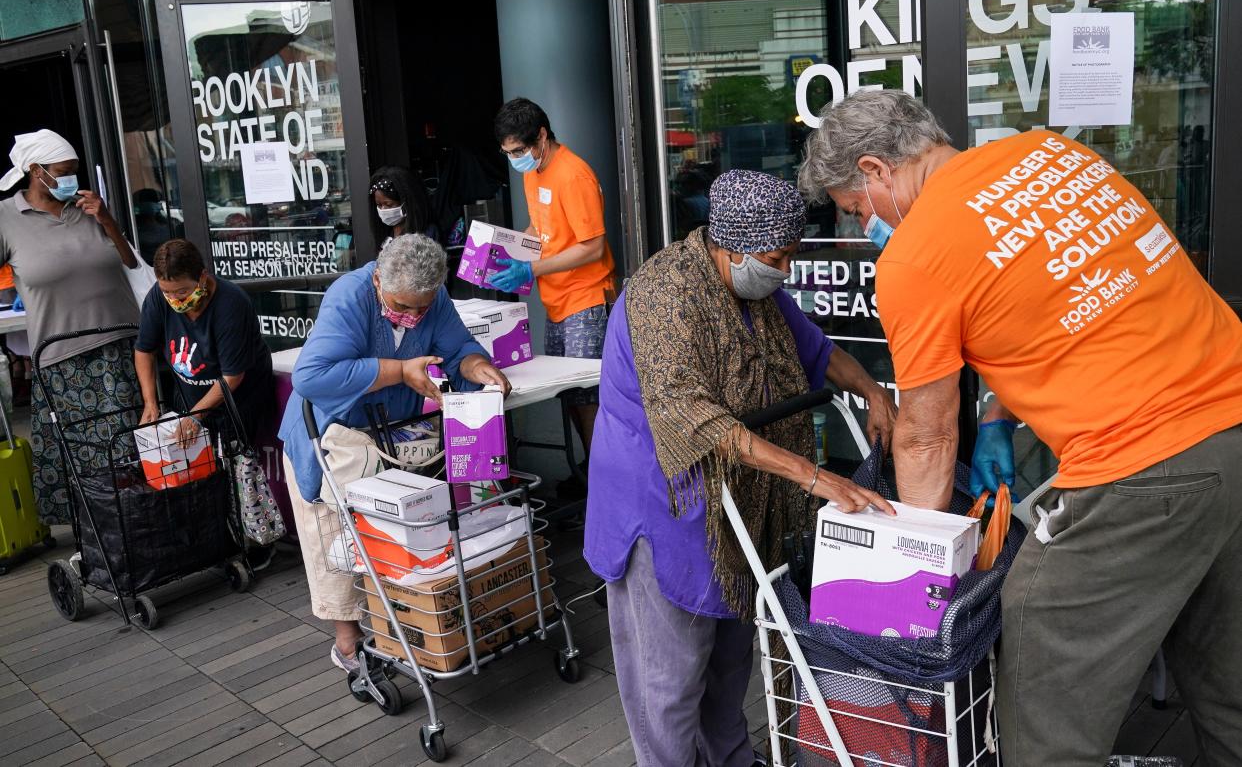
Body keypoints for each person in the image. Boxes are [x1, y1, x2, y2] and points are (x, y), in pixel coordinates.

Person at [798, 89, 1242, 766]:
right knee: (1222, 671)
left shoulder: (915, 255)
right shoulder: (1050, 155)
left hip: (1142, 464)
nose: (866, 229)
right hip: (1232, 425)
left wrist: (919, 580)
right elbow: (1067, 299)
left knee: (1039, 640)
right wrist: (1000, 416)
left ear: (877, 170)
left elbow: (925, 435)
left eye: (858, 210)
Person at [584, 170, 897, 766]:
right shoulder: (662, 295)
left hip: (740, 500)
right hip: (664, 501)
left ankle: (732, 759)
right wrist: (810, 474)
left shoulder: (758, 292)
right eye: (777, 258)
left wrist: (872, 393)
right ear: (732, 245)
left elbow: (818, 350)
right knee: (670, 677)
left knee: (730, 658)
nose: (784, 270)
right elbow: (691, 414)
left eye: (790, 257)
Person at [277, 233, 512, 673]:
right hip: (333, 435)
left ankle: (404, 627)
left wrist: (476, 367)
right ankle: (348, 643)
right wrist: (398, 370)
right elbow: (311, 376)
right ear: (379, 279)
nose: (411, 316)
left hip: (393, 435)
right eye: (402, 306)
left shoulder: (434, 298)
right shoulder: (350, 296)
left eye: (421, 309)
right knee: (335, 535)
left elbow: (457, 347)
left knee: (398, 536)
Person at [0, 129, 140, 524]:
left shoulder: (89, 208)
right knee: (80, 451)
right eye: (62, 172)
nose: (70, 181)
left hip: (120, 343)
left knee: (129, 444)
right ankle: (95, 530)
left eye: (74, 172)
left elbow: (129, 262)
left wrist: (106, 217)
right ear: (35, 171)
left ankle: (139, 522)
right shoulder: (7, 218)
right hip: (60, 355)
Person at [491, 98, 616, 460]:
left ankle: (600, 481)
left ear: (541, 136)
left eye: (518, 150)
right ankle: (587, 473)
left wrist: (530, 269)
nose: (515, 159)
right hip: (557, 300)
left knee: (590, 399)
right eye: (508, 152)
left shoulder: (574, 175)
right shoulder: (534, 172)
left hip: (587, 299)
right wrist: (509, 250)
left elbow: (592, 247)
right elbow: (540, 228)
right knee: (570, 397)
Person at [134, 239, 274, 446]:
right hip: (189, 398)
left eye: (182, 291)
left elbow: (232, 376)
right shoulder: (158, 297)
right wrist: (150, 402)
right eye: (167, 292)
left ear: (202, 277)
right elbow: (144, 350)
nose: (174, 299)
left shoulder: (231, 305)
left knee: (235, 466)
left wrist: (195, 416)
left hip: (236, 404)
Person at [369, 166, 435, 247]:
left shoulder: (427, 233)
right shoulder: (387, 231)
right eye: (379, 205)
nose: (383, 210)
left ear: (407, 204)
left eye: (389, 205)